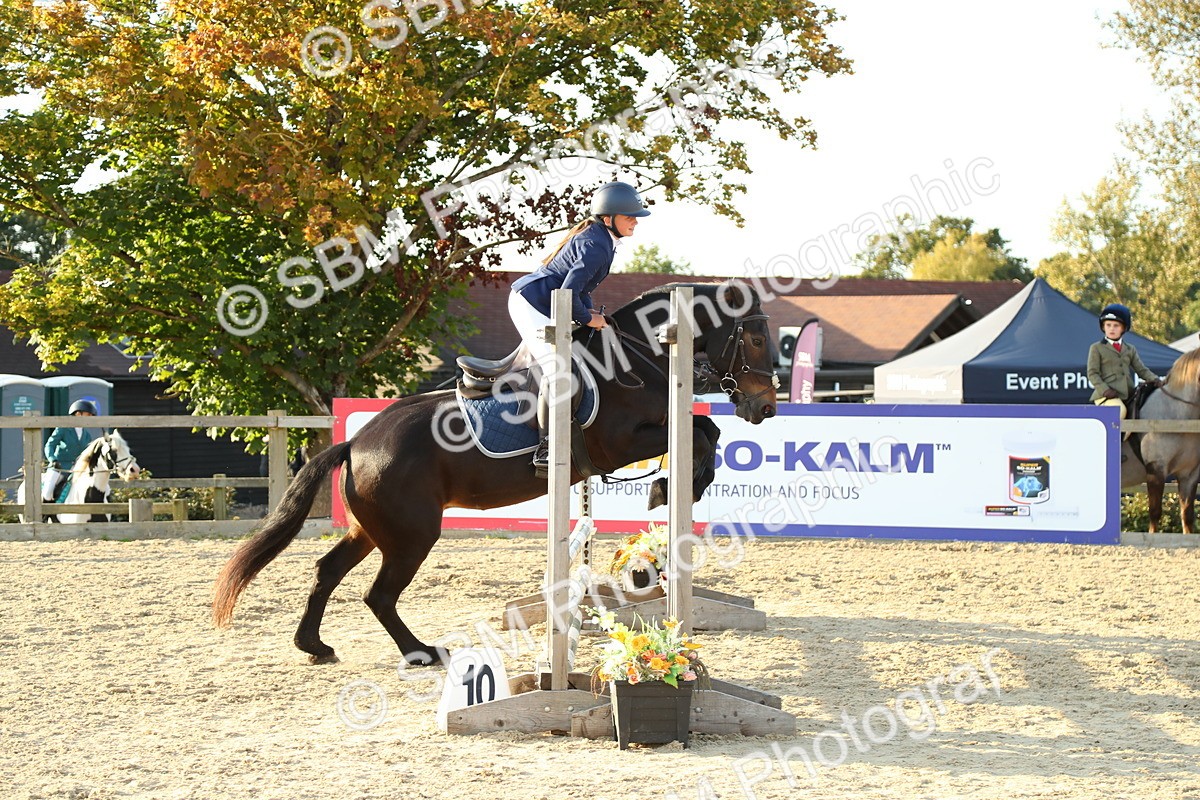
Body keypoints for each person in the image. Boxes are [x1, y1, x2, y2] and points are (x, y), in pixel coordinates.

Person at [509, 181, 651, 476]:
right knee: (559, 372)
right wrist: (588, 319)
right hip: (532, 305)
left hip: (549, 303)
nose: (635, 221)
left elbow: (580, 291)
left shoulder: (602, 240)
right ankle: (548, 447)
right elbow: (570, 293)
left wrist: (591, 314)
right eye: (630, 216)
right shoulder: (597, 244)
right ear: (608, 218)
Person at [1087, 304, 1161, 454]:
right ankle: (1113, 449)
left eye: (1116, 325)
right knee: (1119, 411)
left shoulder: (1130, 349)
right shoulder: (1096, 348)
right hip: (1106, 396)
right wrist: (1105, 389)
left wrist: (1157, 380)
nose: (1111, 328)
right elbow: (1092, 373)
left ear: (1123, 328)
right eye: (1108, 325)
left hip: (1128, 393)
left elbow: (1141, 369)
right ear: (1103, 327)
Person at [42, 399, 98, 502]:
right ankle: (45, 515)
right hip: (60, 467)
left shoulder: (87, 435)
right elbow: (49, 445)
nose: (90, 418)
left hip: (77, 468)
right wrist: (52, 459)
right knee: (47, 492)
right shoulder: (63, 428)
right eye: (88, 415)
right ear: (78, 414)